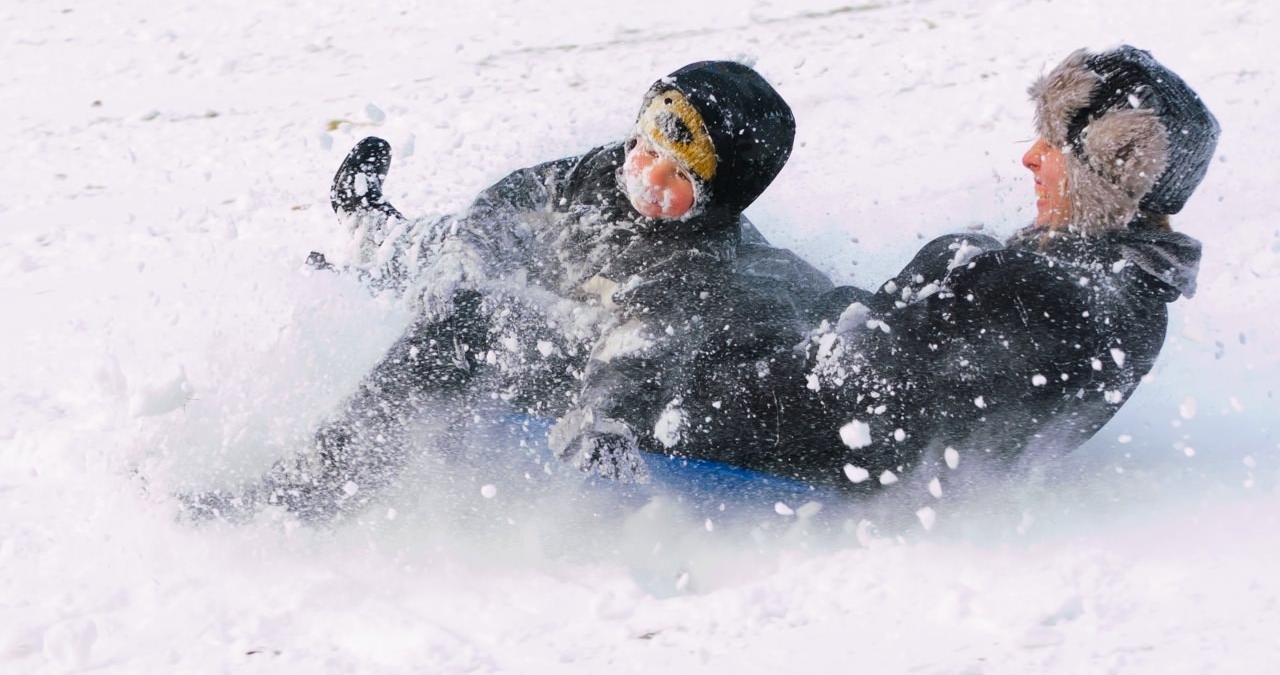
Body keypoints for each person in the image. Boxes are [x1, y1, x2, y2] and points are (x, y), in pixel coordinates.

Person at [183, 59, 831, 523]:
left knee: (463, 318)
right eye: (645, 148)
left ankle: (311, 490)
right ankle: (373, 228)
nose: (648, 176)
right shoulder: (603, 170)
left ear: (720, 197)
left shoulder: (695, 260)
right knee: (447, 246)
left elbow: (645, 340)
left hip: (579, 334)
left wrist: (604, 410)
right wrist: (480, 261)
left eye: (679, 173)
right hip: (549, 274)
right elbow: (514, 200)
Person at [600, 45, 1218, 500]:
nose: (1030, 158)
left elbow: (835, 393)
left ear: (1106, 176)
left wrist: (653, 410)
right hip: (799, 371)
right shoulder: (1121, 297)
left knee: (639, 240)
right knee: (712, 244)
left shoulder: (1031, 292)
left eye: (1054, 148)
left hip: (753, 429)